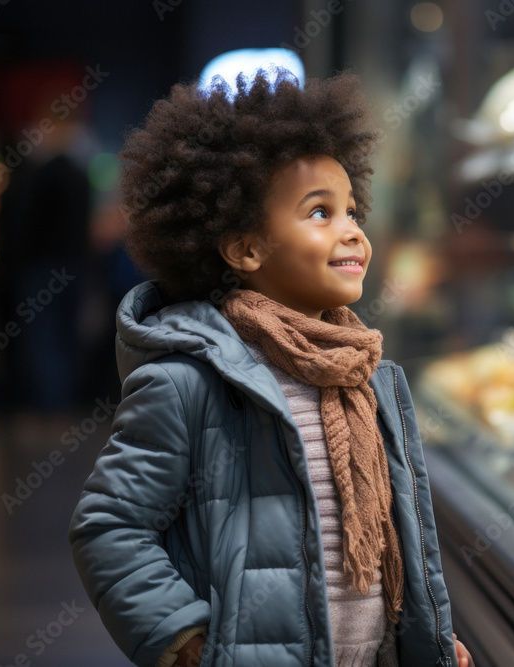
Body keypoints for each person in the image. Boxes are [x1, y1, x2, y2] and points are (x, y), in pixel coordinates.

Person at [68, 69, 473, 667]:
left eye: (352, 210)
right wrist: (182, 637)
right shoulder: (188, 382)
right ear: (246, 248)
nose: (352, 232)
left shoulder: (370, 379)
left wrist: (431, 640)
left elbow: (400, 545)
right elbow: (108, 526)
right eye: (319, 213)